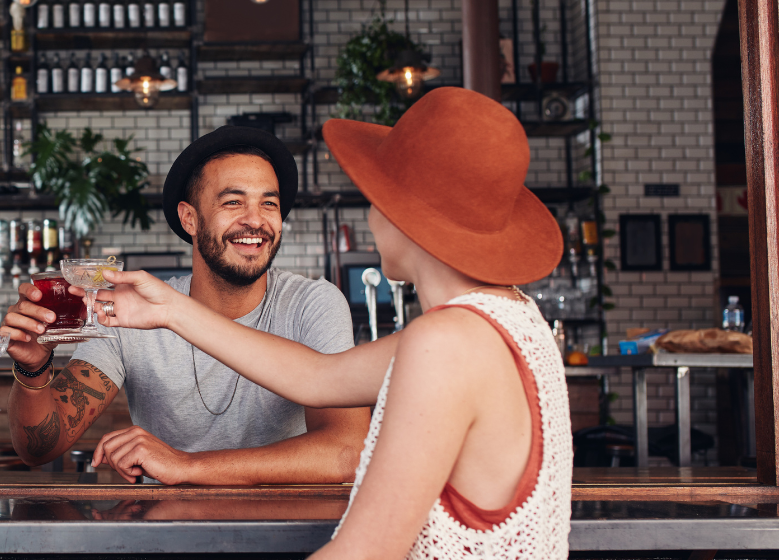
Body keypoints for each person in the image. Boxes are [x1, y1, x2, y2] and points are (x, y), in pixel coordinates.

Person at [88, 87, 573, 558]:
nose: (371, 217)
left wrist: (187, 464)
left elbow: (366, 552)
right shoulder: (511, 319)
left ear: (404, 215)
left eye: (375, 197)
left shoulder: (442, 342)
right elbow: (317, 377)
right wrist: (170, 310)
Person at [2, 126, 370, 485]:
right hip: (166, 524)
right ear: (189, 218)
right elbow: (40, 448)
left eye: (269, 203)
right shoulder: (132, 310)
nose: (256, 220)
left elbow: (346, 452)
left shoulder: (312, 304)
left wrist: (188, 466)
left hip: (289, 523)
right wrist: (33, 369)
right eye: (233, 202)